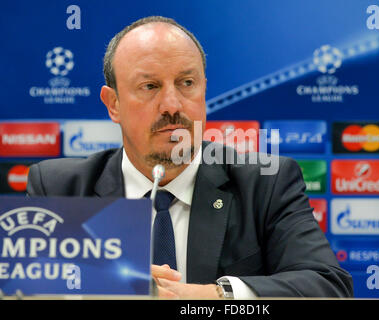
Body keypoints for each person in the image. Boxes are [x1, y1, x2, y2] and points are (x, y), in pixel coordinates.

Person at [26, 16, 353, 299]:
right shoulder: (60, 188)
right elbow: (28, 291)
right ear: (113, 104)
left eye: (187, 83)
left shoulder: (265, 182)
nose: (172, 104)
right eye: (150, 86)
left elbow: (328, 287)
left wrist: (214, 295)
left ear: (204, 90)